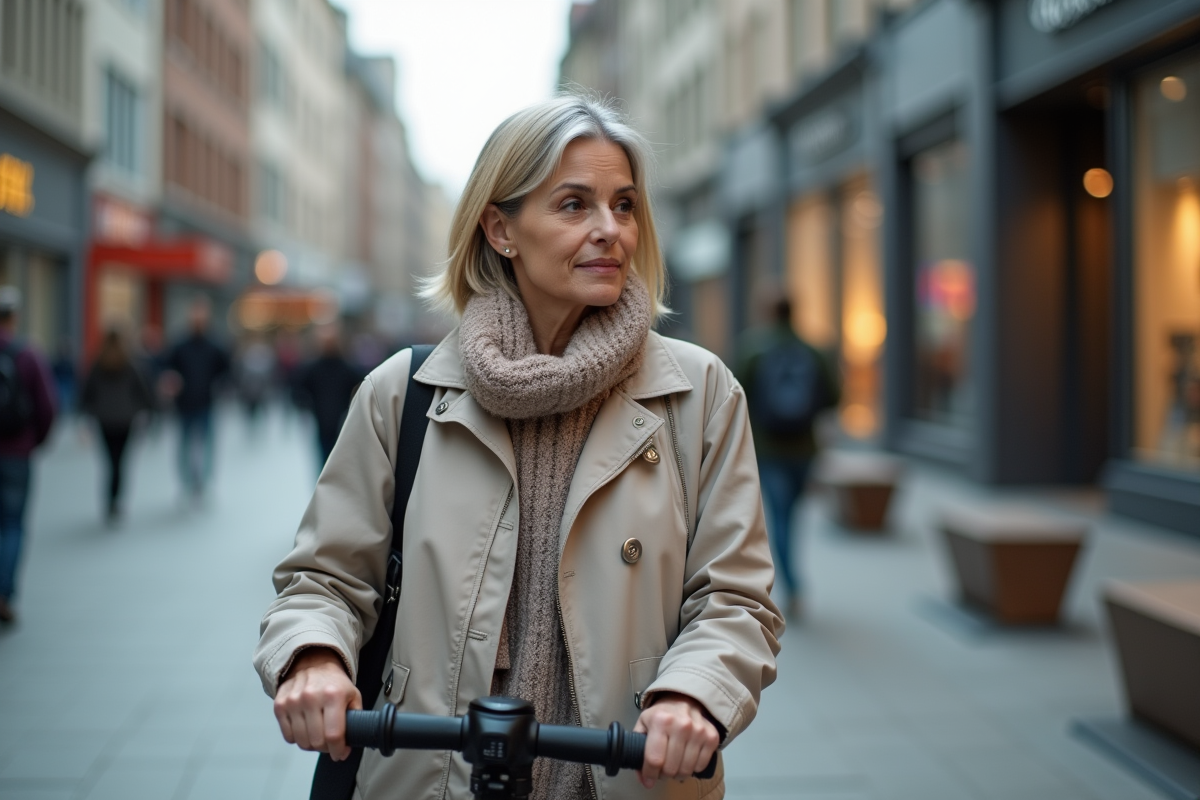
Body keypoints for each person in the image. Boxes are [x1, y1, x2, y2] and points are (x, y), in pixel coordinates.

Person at [254, 96, 783, 800]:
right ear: (501, 229)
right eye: (573, 205)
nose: (610, 231)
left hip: (627, 779)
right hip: (429, 777)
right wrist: (315, 658)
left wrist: (692, 695)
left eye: (624, 206)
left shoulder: (699, 393)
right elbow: (323, 579)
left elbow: (736, 601)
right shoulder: (403, 393)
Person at [735, 294, 840, 620]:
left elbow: (734, 396)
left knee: (779, 517)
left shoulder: (753, 349)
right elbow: (834, 397)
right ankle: (794, 583)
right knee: (792, 514)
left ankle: (793, 587)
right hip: (805, 448)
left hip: (769, 449)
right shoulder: (814, 351)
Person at [0, 287, 56, 623]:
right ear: (14, 316)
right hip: (17, 454)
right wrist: (33, 442)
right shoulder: (27, 354)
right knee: (12, 524)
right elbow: (47, 407)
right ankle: (4, 593)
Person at [80, 328, 154, 524]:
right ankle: (116, 500)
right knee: (120, 462)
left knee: (110, 461)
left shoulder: (98, 363)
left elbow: (87, 392)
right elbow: (143, 392)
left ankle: (110, 499)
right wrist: (145, 411)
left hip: (104, 419)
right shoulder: (130, 363)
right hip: (125, 419)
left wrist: (88, 414)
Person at [164, 298, 230, 500]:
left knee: (207, 444)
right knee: (184, 444)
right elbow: (169, 369)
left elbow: (226, 370)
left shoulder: (215, 344)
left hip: (206, 402)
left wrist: (220, 387)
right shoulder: (180, 344)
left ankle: (203, 481)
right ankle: (186, 482)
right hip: (184, 403)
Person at [292, 324, 365, 467]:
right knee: (324, 459)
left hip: (344, 422)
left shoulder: (347, 368)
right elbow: (298, 390)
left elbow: (362, 388)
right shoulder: (313, 368)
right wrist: (306, 406)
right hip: (321, 420)